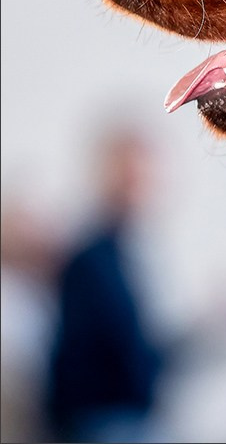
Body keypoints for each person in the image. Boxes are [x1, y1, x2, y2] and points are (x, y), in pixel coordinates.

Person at [46, 130, 167, 443]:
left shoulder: (131, 256)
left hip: (129, 416)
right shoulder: (90, 259)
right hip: (102, 421)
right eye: (127, 178)